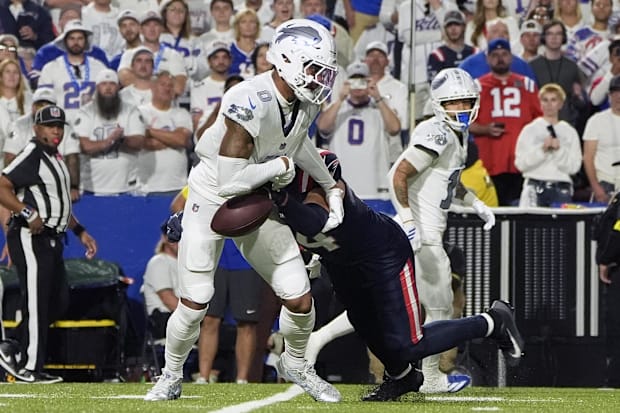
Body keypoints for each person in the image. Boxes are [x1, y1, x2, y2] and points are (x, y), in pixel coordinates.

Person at [144, 19, 344, 403]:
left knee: (299, 296)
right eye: (313, 68)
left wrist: (329, 184)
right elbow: (230, 181)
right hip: (213, 197)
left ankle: (296, 363)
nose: (320, 78)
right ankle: (170, 374)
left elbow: (297, 143)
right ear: (287, 61)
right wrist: (279, 168)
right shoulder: (248, 99)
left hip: (258, 196)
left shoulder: (302, 99)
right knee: (196, 301)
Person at [258, 147, 522, 401]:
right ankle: (402, 378)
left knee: (408, 344)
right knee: (366, 328)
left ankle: (493, 321)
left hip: (383, 255)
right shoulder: (277, 190)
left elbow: (314, 221)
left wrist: (278, 199)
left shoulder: (321, 180)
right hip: (342, 264)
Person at [388, 68, 497, 393]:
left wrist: (475, 202)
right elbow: (398, 174)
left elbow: (448, 179)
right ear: (438, 104)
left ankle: (314, 343)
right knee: (439, 305)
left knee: (384, 304)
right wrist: (408, 221)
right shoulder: (436, 131)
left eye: (466, 101)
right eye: (453, 103)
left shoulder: (457, 134)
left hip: (423, 230)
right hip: (422, 233)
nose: (461, 109)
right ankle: (431, 377)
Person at [0, 105, 97, 383]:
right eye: (50, 126)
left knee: (57, 301)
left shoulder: (54, 157)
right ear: (37, 129)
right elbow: (2, 185)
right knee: (38, 301)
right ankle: (29, 368)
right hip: (30, 237)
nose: (56, 131)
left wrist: (79, 230)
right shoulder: (32, 155)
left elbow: (58, 204)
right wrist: (26, 212)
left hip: (52, 238)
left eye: (59, 126)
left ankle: (13, 348)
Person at [169, 187, 262, 385]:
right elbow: (177, 204)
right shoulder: (211, 176)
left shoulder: (254, 177)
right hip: (215, 257)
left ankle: (242, 380)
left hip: (247, 258)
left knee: (247, 322)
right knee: (210, 319)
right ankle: (203, 376)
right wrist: (196, 228)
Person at [469, 38, 542, 206]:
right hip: (490, 162)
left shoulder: (527, 84)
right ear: (487, 58)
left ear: (511, 57)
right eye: (495, 55)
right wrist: (485, 129)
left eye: (504, 54)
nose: (500, 58)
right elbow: (465, 122)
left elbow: (540, 122)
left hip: (523, 162)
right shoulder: (477, 87)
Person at [317, 61, 400, 199]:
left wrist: (378, 97)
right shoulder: (337, 108)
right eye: (353, 80)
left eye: (362, 80)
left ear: (369, 82)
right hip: (344, 186)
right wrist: (340, 99)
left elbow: (395, 129)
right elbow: (323, 127)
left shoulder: (380, 107)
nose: (358, 85)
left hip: (375, 186)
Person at [74, 69, 145, 195]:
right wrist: (111, 140)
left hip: (126, 187)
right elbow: (84, 146)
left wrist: (122, 139)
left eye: (112, 84)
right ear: (97, 88)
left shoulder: (131, 110)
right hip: (92, 187)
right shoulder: (85, 112)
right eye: (104, 84)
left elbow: (138, 143)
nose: (108, 88)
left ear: (118, 87)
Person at [3, 87, 81, 202]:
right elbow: (10, 158)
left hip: (55, 186)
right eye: (40, 104)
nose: (43, 108)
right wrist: (13, 187)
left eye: (48, 104)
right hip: (26, 186)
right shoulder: (19, 125)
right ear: (33, 106)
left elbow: (72, 157)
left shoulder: (65, 127)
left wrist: (73, 186)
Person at [514, 83, 582, 207]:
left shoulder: (569, 132)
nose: (549, 104)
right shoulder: (529, 130)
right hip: (534, 187)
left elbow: (574, 167)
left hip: (561, 188)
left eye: (553, 100)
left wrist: (558, 151)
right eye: (545, 100)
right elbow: (521, 164)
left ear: (561, 104)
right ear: (540, 103)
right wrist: (542, 150)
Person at [37, 19, 108, 126]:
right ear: (65, 41)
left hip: (93, 124)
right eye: (72, 38)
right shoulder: (51, 68)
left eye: (80, 38)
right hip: (62, 126)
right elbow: (43, 102)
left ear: (86, 41)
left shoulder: (99, 67)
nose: (76, 42)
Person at [136, 71, 192, 196]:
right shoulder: (140, 112)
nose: (167, 88)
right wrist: (171, 138)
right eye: (163, 84)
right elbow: (144, 143)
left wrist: (150, 131)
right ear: (153, 87)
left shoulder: (182, 113)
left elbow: (181, 140)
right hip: (147, 187)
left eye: (171, 85)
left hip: (177, 186)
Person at [582, 75, 620, 203]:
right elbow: (588, 157)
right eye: (615, 92)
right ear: (609, 95)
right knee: (601, 223)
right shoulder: (596, 121)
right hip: (605, 183)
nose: (618, 96)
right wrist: (596, 187)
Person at [142, 223, 180, 341]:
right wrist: (196, 319)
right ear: (164, 238)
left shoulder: (185, 265)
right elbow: (168, 300)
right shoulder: (159, 262)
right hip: (165, 322)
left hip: (183, 319)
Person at [427, 10, 478, 83]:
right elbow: (435, 84)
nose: (453, 29)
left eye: (457, 24)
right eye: (449, 25)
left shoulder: (475, 52)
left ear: (464, 26)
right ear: (445, 29)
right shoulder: (437, 55)